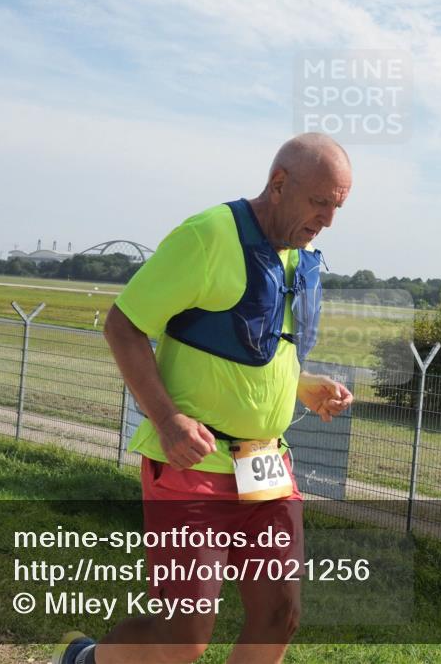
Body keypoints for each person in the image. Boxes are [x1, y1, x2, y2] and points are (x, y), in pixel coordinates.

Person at [53, 133, 354, 664]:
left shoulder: (295, 257)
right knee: (183, 639)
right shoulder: (208, 235)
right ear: (279, 184)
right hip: (192, 462)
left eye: (338, 206)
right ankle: (86, 660)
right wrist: (166, 419)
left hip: (266, 464)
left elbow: (256, 347)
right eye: (319, 201)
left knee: (278, 616)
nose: (328, 218)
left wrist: (306, 386)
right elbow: (124, 326)